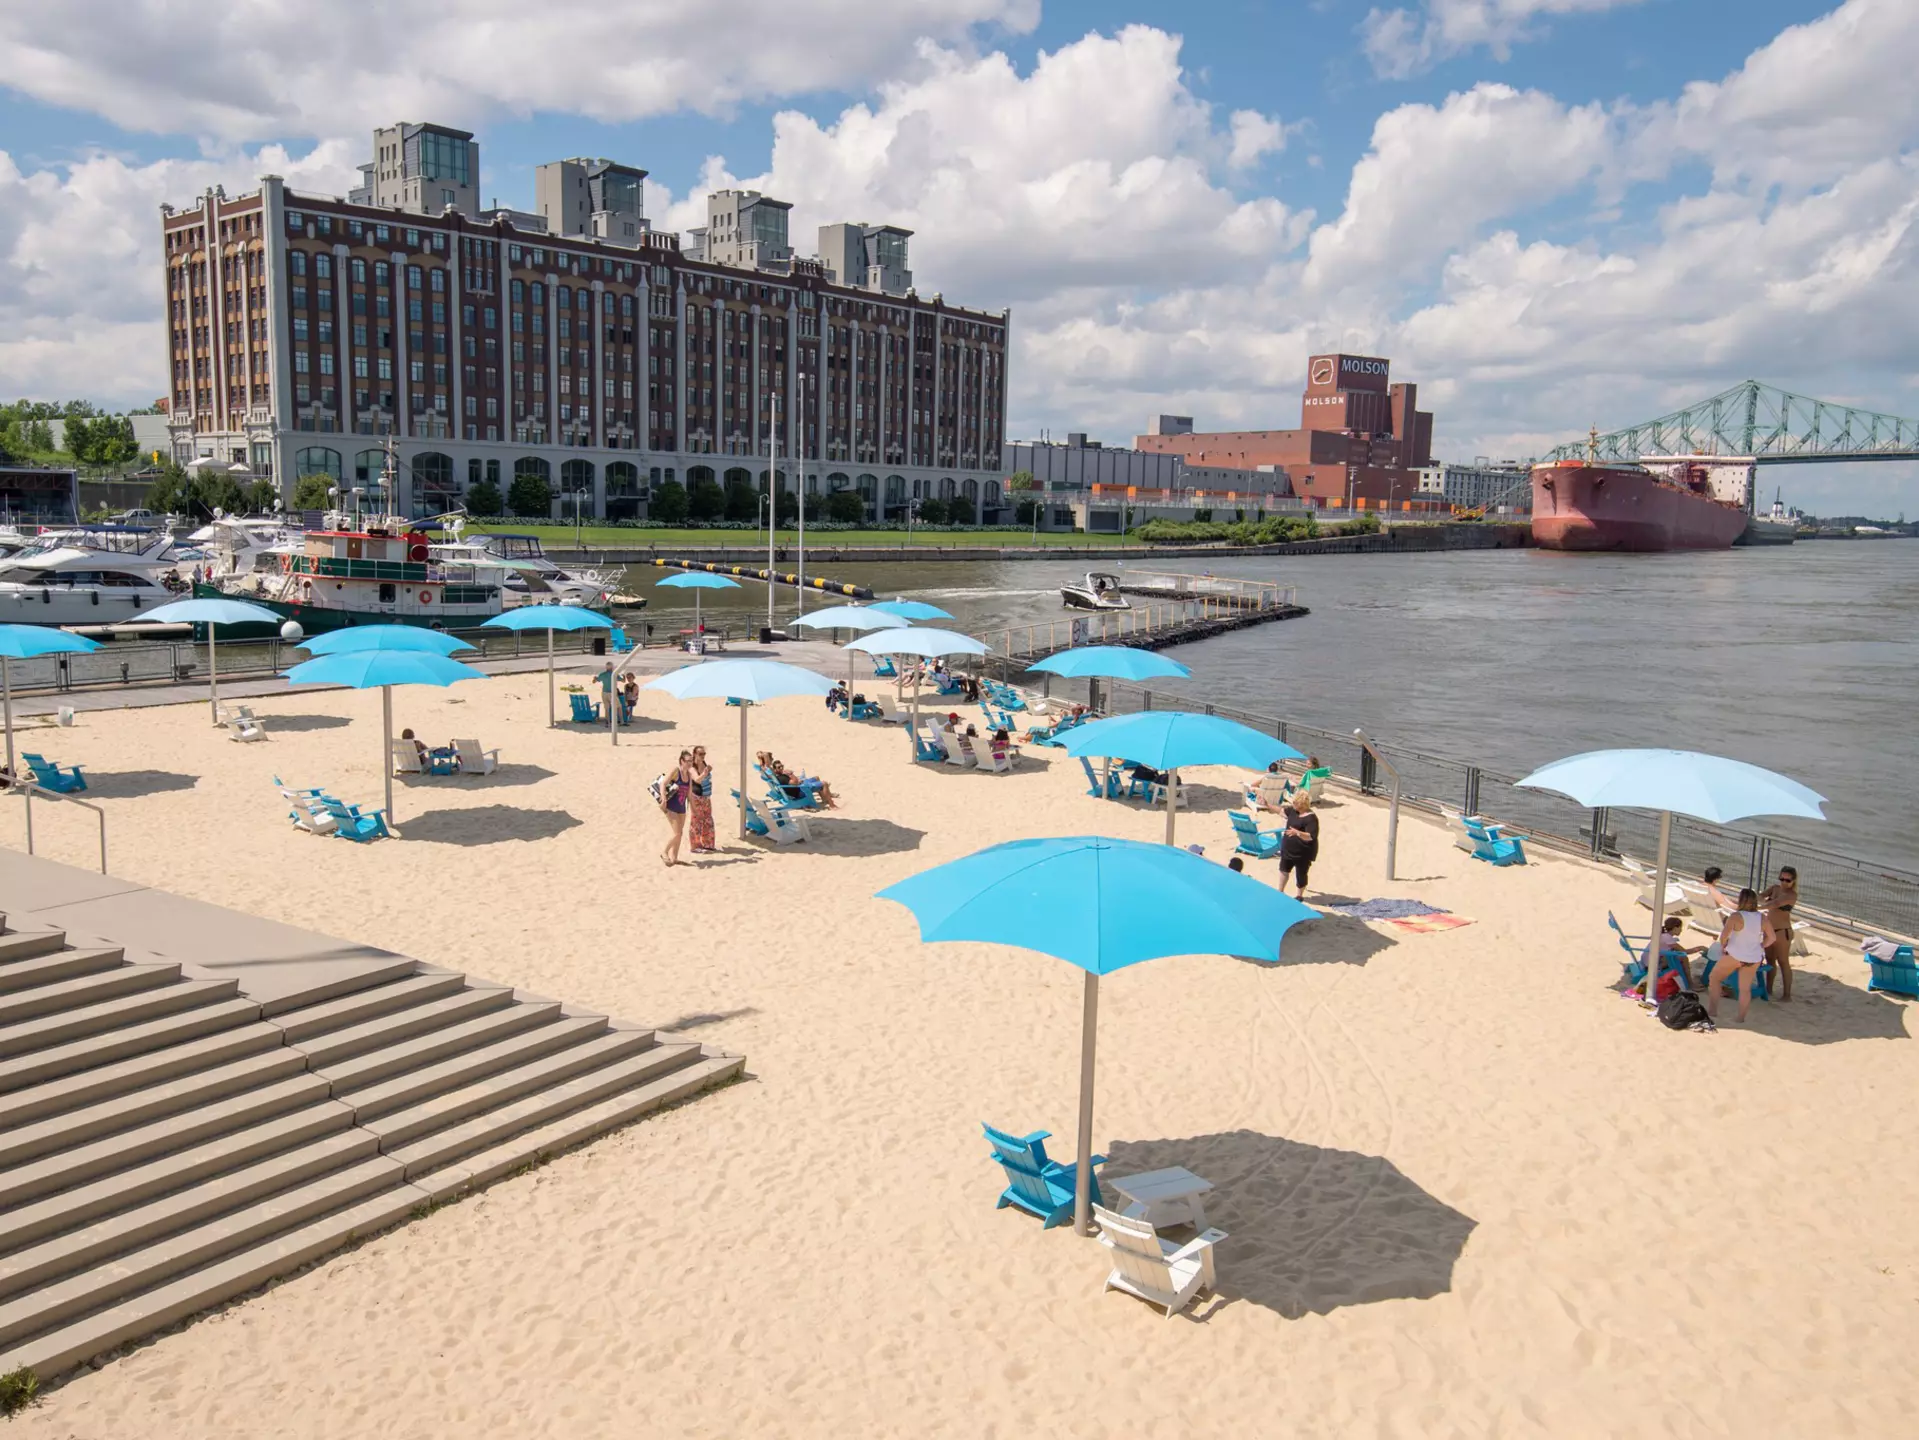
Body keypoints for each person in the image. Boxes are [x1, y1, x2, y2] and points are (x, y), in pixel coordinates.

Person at [1707, 888, 1775, 1024]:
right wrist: (1761, 946)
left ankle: (1713, 1011)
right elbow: (1772, 938)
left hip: (1735, 955)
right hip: (1753, 957)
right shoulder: (1762, 918)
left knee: (1714, 978)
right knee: (1745, 989)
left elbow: (1724, 936)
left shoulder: (1736, 916)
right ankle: (1740, 1018)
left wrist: (1724, 946)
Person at [1759, 865, 1799, 1001]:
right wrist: (1762, 900)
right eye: (1782, 879)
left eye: (1787, 880)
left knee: (1783, 962)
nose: (1784, 882)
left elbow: (1775, 904)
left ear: (1793, 881)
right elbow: (1760, 896)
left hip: (1782, 931)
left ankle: (1787, 995)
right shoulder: (1774, 888)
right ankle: (1768, 989)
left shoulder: (1791, 895)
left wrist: (1759, 904)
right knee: (1770, 960)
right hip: (1769, 930)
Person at [1642, 915, 1707, 994]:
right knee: (1684, 957)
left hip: (1646, 960)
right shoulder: (1668, 938)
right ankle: (1690, 983)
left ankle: (1689, 981)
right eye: (1680, 928)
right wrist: (1700, 948)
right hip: (1653, 964)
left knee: (1677, 955)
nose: (1681, 930)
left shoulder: (1663, 935)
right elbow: (1684, 951)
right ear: (1675, 928)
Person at [1278, 791, 1320, 899]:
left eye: (1295, 803)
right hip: (1288, 850)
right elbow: (1280, 811)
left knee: (1301, 875)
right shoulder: (1293, 811)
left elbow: (1311, 836)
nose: (1293, 804)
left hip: (1303, 853)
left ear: (1301, 804)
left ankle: (1299, 895)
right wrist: (1267, 804)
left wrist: (1297, 832)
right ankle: (1280, 891)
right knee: (1283, 869)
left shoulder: (1311, 818)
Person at [659, 750, 690, 866]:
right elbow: (663, 783)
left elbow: (689, 793)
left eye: (691, 761)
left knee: (680, 833)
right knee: (677, 833)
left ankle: (674, 858)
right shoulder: (676, 771)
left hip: (682, 807)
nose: (690, 763)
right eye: (688, 761)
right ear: (682, 761)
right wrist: (663, 799)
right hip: (670, 806)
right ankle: (664, 852)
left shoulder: (689, 775)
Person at [687, 746, 716, 854]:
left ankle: (708, 844)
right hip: (697, 797)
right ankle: (695, 846)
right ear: (694, 754)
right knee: (696, 821)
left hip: (706, 796)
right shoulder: (691, 767)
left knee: (707, 819)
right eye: (700, 754)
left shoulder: (704, 763)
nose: (703, 756)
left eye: (704, 754)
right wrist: (705, 773)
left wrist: (708, 770)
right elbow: (697, 780)